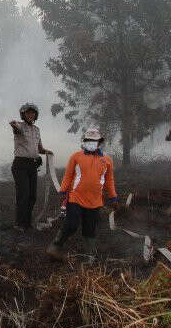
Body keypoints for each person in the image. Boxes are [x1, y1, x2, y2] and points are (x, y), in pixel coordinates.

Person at [46, 127, 118, 260]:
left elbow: (109, 179)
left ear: (99, 142)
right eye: (88, 140)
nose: (91, 143)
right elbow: (68, 175)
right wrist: (63, 189)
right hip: (76, 197)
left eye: (94, 140)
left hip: (95, 201)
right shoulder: (76, 156)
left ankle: (90, 254)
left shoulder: (107, 160)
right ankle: (55, 246)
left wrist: (113, 195)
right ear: (84, 141)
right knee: (71, 224)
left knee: (90, 229)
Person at [9, 103, 52, 231]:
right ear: (23, 114)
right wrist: (13, 125)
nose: (30, 115)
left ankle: (27, 223)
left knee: (32, 196)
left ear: (36, 115)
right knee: (24, 194)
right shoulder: (20, 126)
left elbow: (39, 149)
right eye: (28, 113)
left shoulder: (37, 130)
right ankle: (19, 224)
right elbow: (16, 129)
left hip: (32, 165)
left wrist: (47, 152)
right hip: (20, 165)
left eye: (33, 113)